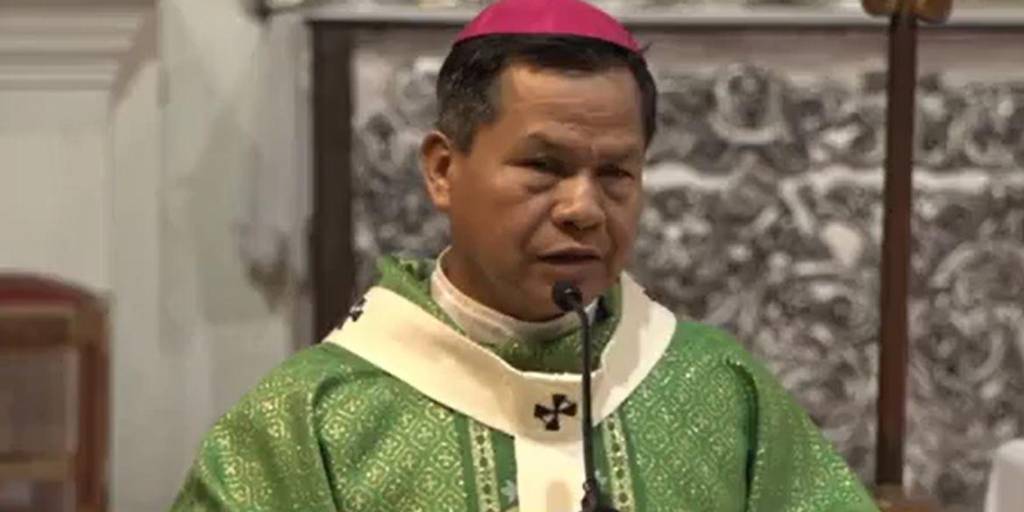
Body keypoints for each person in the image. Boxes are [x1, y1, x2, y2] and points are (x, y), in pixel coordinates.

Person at [171, 0, 879, 510]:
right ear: (443, 170)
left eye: (616, 173)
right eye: (543, 167)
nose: (583, 208)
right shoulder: (314, 419)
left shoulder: (718, 391)